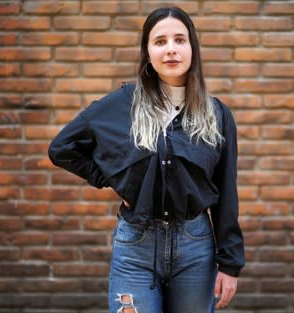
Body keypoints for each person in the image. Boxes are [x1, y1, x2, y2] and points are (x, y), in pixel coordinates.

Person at [48, 6, 245, 313]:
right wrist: (111, 180)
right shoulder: (121, 105)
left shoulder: (216, 115)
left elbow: (226, 192)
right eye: (160, 41)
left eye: (180, 40)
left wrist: (230, 264)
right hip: (135, 248)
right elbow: (62, 147)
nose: (171, 49)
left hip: (196, 247)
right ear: (148, 52)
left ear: (192, 48)